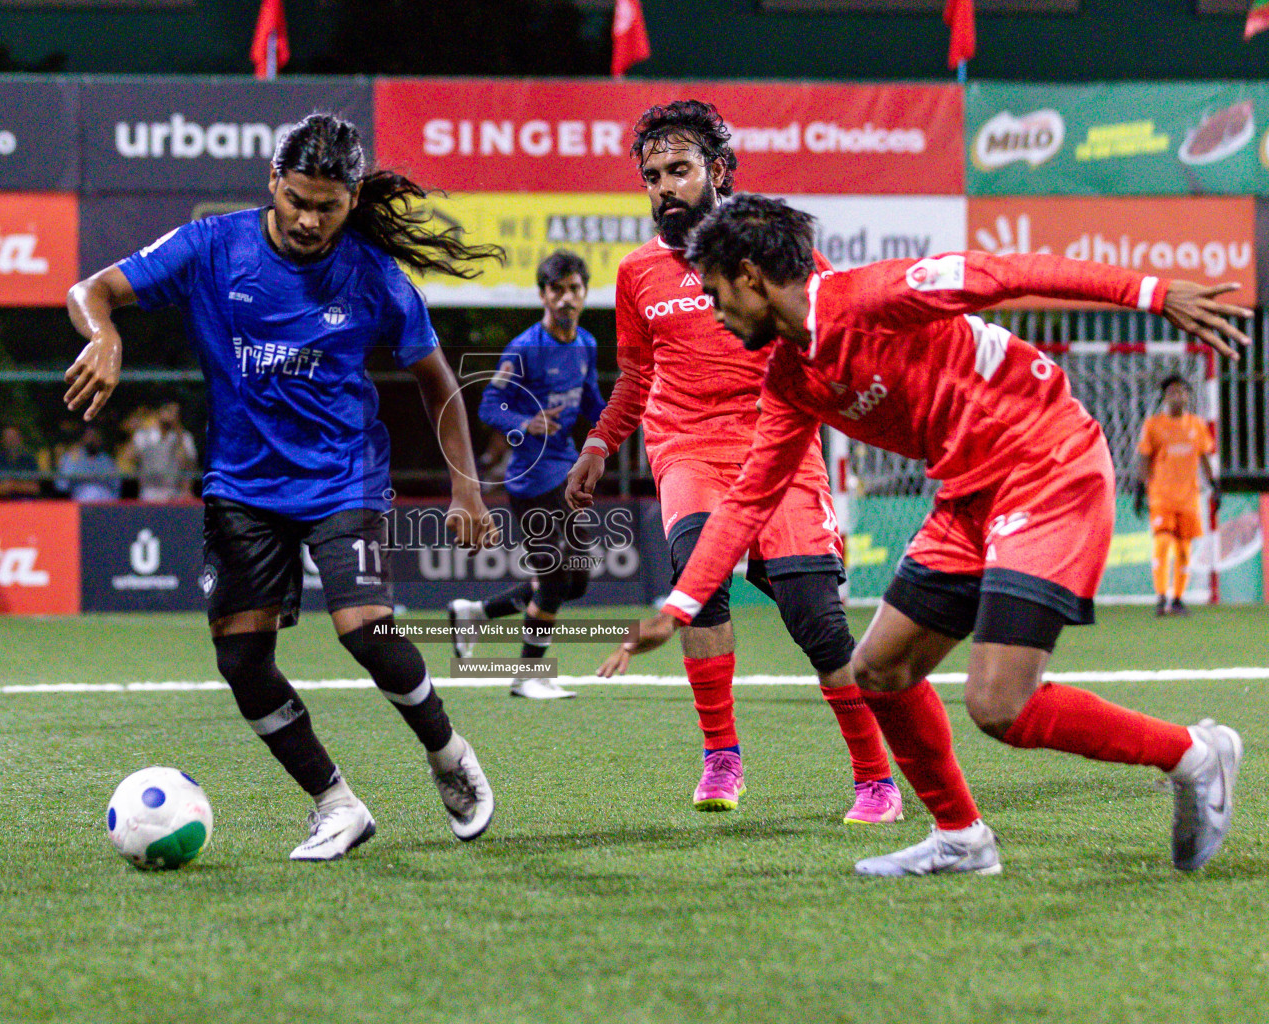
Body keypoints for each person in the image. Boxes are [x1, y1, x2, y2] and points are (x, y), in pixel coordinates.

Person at [606, 194, 1245, 876]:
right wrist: (678, 609)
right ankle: (962, 838)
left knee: (1000, 704)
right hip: (968, 493)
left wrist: (1150, 292)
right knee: (878, 670)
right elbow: (748, 501)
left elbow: (1005, 273)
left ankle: (1196, 756)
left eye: (715, 294)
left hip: (1047, 464)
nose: (716, 314)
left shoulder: (873, 296)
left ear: (751, 278)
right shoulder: (791, 378)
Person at [64, 111, 505, 863]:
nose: (307, 219)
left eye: (327, 206)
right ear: (272, 180)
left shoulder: (371, 273)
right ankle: (335, 804)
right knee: (241, 661)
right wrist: (104, 334)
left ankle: (447, 752)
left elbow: (438, 384)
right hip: (243, 485)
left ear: (353, 197)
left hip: (343, 476)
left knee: (365, 628)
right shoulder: (211, 247)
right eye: (296, 198)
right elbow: (90, 291)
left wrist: (466, 487)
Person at [563, 100, 900, 822]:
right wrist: (598, 444)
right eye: (651, 175)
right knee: (700, 587)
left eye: (678, 170)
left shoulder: (773, 248)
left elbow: (835, 323)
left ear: (718, 171)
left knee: (818, 622)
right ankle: (721, 760)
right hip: (687, 452)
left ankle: (875, 777)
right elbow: (636, 377)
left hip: (779, 450)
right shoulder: (637, 274)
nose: (663, 188)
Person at [449, 250, 605, 700]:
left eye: (574, 289)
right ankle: (528, 676)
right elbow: (488, 406)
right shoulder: (524, 348)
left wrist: (623, 420)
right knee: (556, 578)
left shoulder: (587, 345)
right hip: (532, 481)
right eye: (557, 290)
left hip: (568, 470)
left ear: (584, 293)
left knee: (576, 578)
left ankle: (476, 613)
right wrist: (526, 423)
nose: (566, 298)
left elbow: (591, 398)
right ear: (543, 295)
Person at [1136, 375, 1218, 617]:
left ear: (1188, 396)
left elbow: (1204, 457)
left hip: (1189, 497)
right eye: (1172, 391)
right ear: (1164, 396)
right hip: (1161, 494)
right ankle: (1161, 597)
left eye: (1181, 391)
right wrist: (1141, 489)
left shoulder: (1197, 425)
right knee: (1162, 543)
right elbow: (1144, 457)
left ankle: (1178, 599)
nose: (1177, 396)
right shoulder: (1153, 425)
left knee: (1184, 550)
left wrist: (1215, 485)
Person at [132, 401, 198, 501]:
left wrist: (177, 429)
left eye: (174, 413)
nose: (170, 415)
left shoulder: (184, 437)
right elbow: (132, 457)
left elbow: (188, 463)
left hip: (173, 492)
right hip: (148, 491)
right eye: (168, 411)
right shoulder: (144, 434)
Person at [58, 425, 122, 502]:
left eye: (95, 436)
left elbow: (116, 485)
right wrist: (73, 463)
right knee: (91, 492)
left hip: (105, 500)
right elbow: (61, 485)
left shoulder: (106, 459)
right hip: (82, 499)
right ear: (83, 438)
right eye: (89, 436)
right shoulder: (72, 457)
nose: (92, 439)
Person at [0, 426, 42, 500]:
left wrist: (12, 485)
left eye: (14, 437)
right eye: (8, 438)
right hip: (1, 505)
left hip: (25, 505)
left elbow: (35, 488)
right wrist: (22, 485)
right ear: (2, 440)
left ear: (20, 439)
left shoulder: (29, 460)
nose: (11, 441)